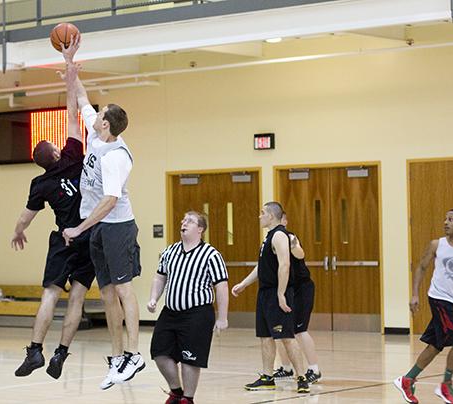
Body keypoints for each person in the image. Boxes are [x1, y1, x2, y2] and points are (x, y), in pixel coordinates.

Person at [11, 35, 95, 380]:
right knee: (76, 298)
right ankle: (61, 353)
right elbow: (73, 111)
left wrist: (18, 231)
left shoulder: (40, 184)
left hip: (63, 238)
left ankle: (35, 351)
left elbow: (26, 216)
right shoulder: (75, 155)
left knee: (50, 294)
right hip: (89, 235)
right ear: (58, 153)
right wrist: (69, 68)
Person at [62, 71, 142, 389]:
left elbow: (110, 201)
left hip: (116, 226)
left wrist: (79, 228)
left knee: (123, 290)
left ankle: (134, 354)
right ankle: (117, 356)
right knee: (107, 292)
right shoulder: (96, 136)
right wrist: (71, 68)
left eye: (101, 112)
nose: (95, 114)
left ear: (106, 124)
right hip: (98, 227)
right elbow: (82, 98)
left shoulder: (115, 158)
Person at [148, 211, 229, 404]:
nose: (184, 223)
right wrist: (153, 298)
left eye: (190, 221)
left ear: (200, 229)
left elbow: (221, 286)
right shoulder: (170, 251)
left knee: (189, 359)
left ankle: (187, 399)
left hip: (197, 314)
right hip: (170, 312)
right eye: (183, 220)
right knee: (159, 353)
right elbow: (160, 277)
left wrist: (222, 317)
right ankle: (176, 391)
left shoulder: (211, 254)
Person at [231, 202, 309, 394]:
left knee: (286, 337)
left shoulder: (280, 235)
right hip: (265, 293)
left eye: (262, 213)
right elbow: (262, 267)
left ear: (272, 216)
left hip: (276, 293)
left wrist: (281, 294)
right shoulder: (268, 238)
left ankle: (302, 377)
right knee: (265, 337)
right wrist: (243, 283)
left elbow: (285, 265)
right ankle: (267, 377)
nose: (259, 216)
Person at [394, 209, 453, 404]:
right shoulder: (437, 245)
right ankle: (446, 385)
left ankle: (407, 379)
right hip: (438, 298)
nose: (445, 222)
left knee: (436, 346)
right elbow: (421, 267)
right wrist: (414, 295)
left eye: (451, 220)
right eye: (445, 218)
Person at [273, 213, 321, 384]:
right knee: (279, 331)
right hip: (287, 289)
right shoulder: (272, 240)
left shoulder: (290, 238)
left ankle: (314, 369)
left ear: (284, 221)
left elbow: (300, 253)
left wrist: (293, 244)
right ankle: (286, 368)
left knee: (300, 330)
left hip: (302, 289)